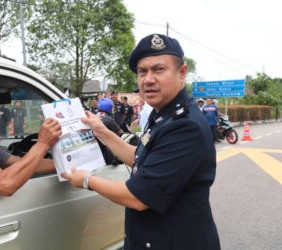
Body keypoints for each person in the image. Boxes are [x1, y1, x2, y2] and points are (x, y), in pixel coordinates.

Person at [62, 34, 220, 250]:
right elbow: (140, 157)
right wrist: (102, 132)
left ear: (182, 73)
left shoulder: (185, 126)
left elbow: (138, 197)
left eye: (158, 69)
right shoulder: (163, 115)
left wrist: (87, 180)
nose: (148, 79)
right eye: (142, 71)